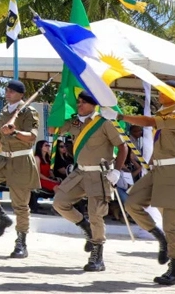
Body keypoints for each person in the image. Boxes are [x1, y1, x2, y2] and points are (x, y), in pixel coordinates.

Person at [114, 80, 175, 286]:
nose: (159, 93)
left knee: (171, 222)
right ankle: (159, 236)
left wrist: (121, 116)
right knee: (133, 202)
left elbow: (149, 122)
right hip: (158, 170)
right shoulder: (163, 115)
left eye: (163, 91)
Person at [53, 90, 129, 272]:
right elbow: (54, 130)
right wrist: (59, 110)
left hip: (99, 174)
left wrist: (117, 171)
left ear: (93, 105)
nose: (79, 105)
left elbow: (123, 147)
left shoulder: (104, 123)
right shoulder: (75, 123)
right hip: (80, 172)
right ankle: (84, 226)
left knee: (96, 214)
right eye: (78, 102)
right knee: (60, 202)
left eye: (83, 103)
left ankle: (97, 254)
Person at [0, 79, 41, 259]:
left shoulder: (29, 112)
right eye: (7, 90)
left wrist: (14, 132)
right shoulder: (5, 111)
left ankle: (21, 242)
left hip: (21, 160)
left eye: (12, 91)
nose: (8, 93)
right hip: (4, 158)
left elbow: (32, 138)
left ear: (20, 94)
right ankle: (1, 216)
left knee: (20, 204)